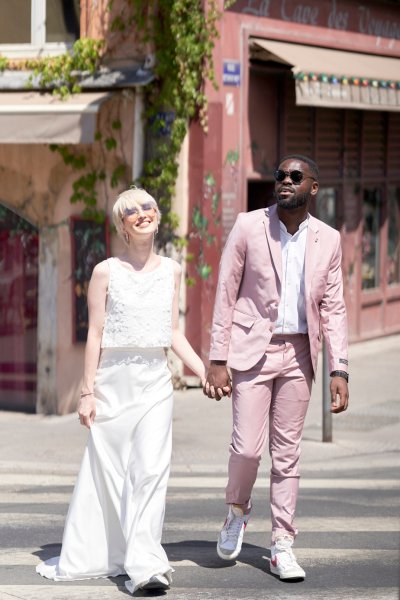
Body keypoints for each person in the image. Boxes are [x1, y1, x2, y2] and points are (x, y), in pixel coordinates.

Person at [36, 188, 205, 593]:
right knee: (110, 474)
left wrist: (206, 370)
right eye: (132, 211)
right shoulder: (105, 272)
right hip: (112, 384)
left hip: (154, 383)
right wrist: (87, 392)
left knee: (150, 471)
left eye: (148, 207)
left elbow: (172, 332)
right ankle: (112, 551)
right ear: (122, 225)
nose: (142, 214)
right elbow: (94, 333)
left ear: (158, 216)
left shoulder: (173, 271)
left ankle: (144, 566)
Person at [204, 155, 349, 580]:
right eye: (280, 176)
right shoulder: (250, 226)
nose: (285, 182)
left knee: (287, 455)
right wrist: (217, 358)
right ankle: (236, 511)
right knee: (247, 449)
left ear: (313, 187)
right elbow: (225, 291)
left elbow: (334, 307)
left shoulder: (329, 239)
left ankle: (283, 543)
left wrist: (339, 369)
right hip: (252, 351)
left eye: (295, 177)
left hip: (299, 354)